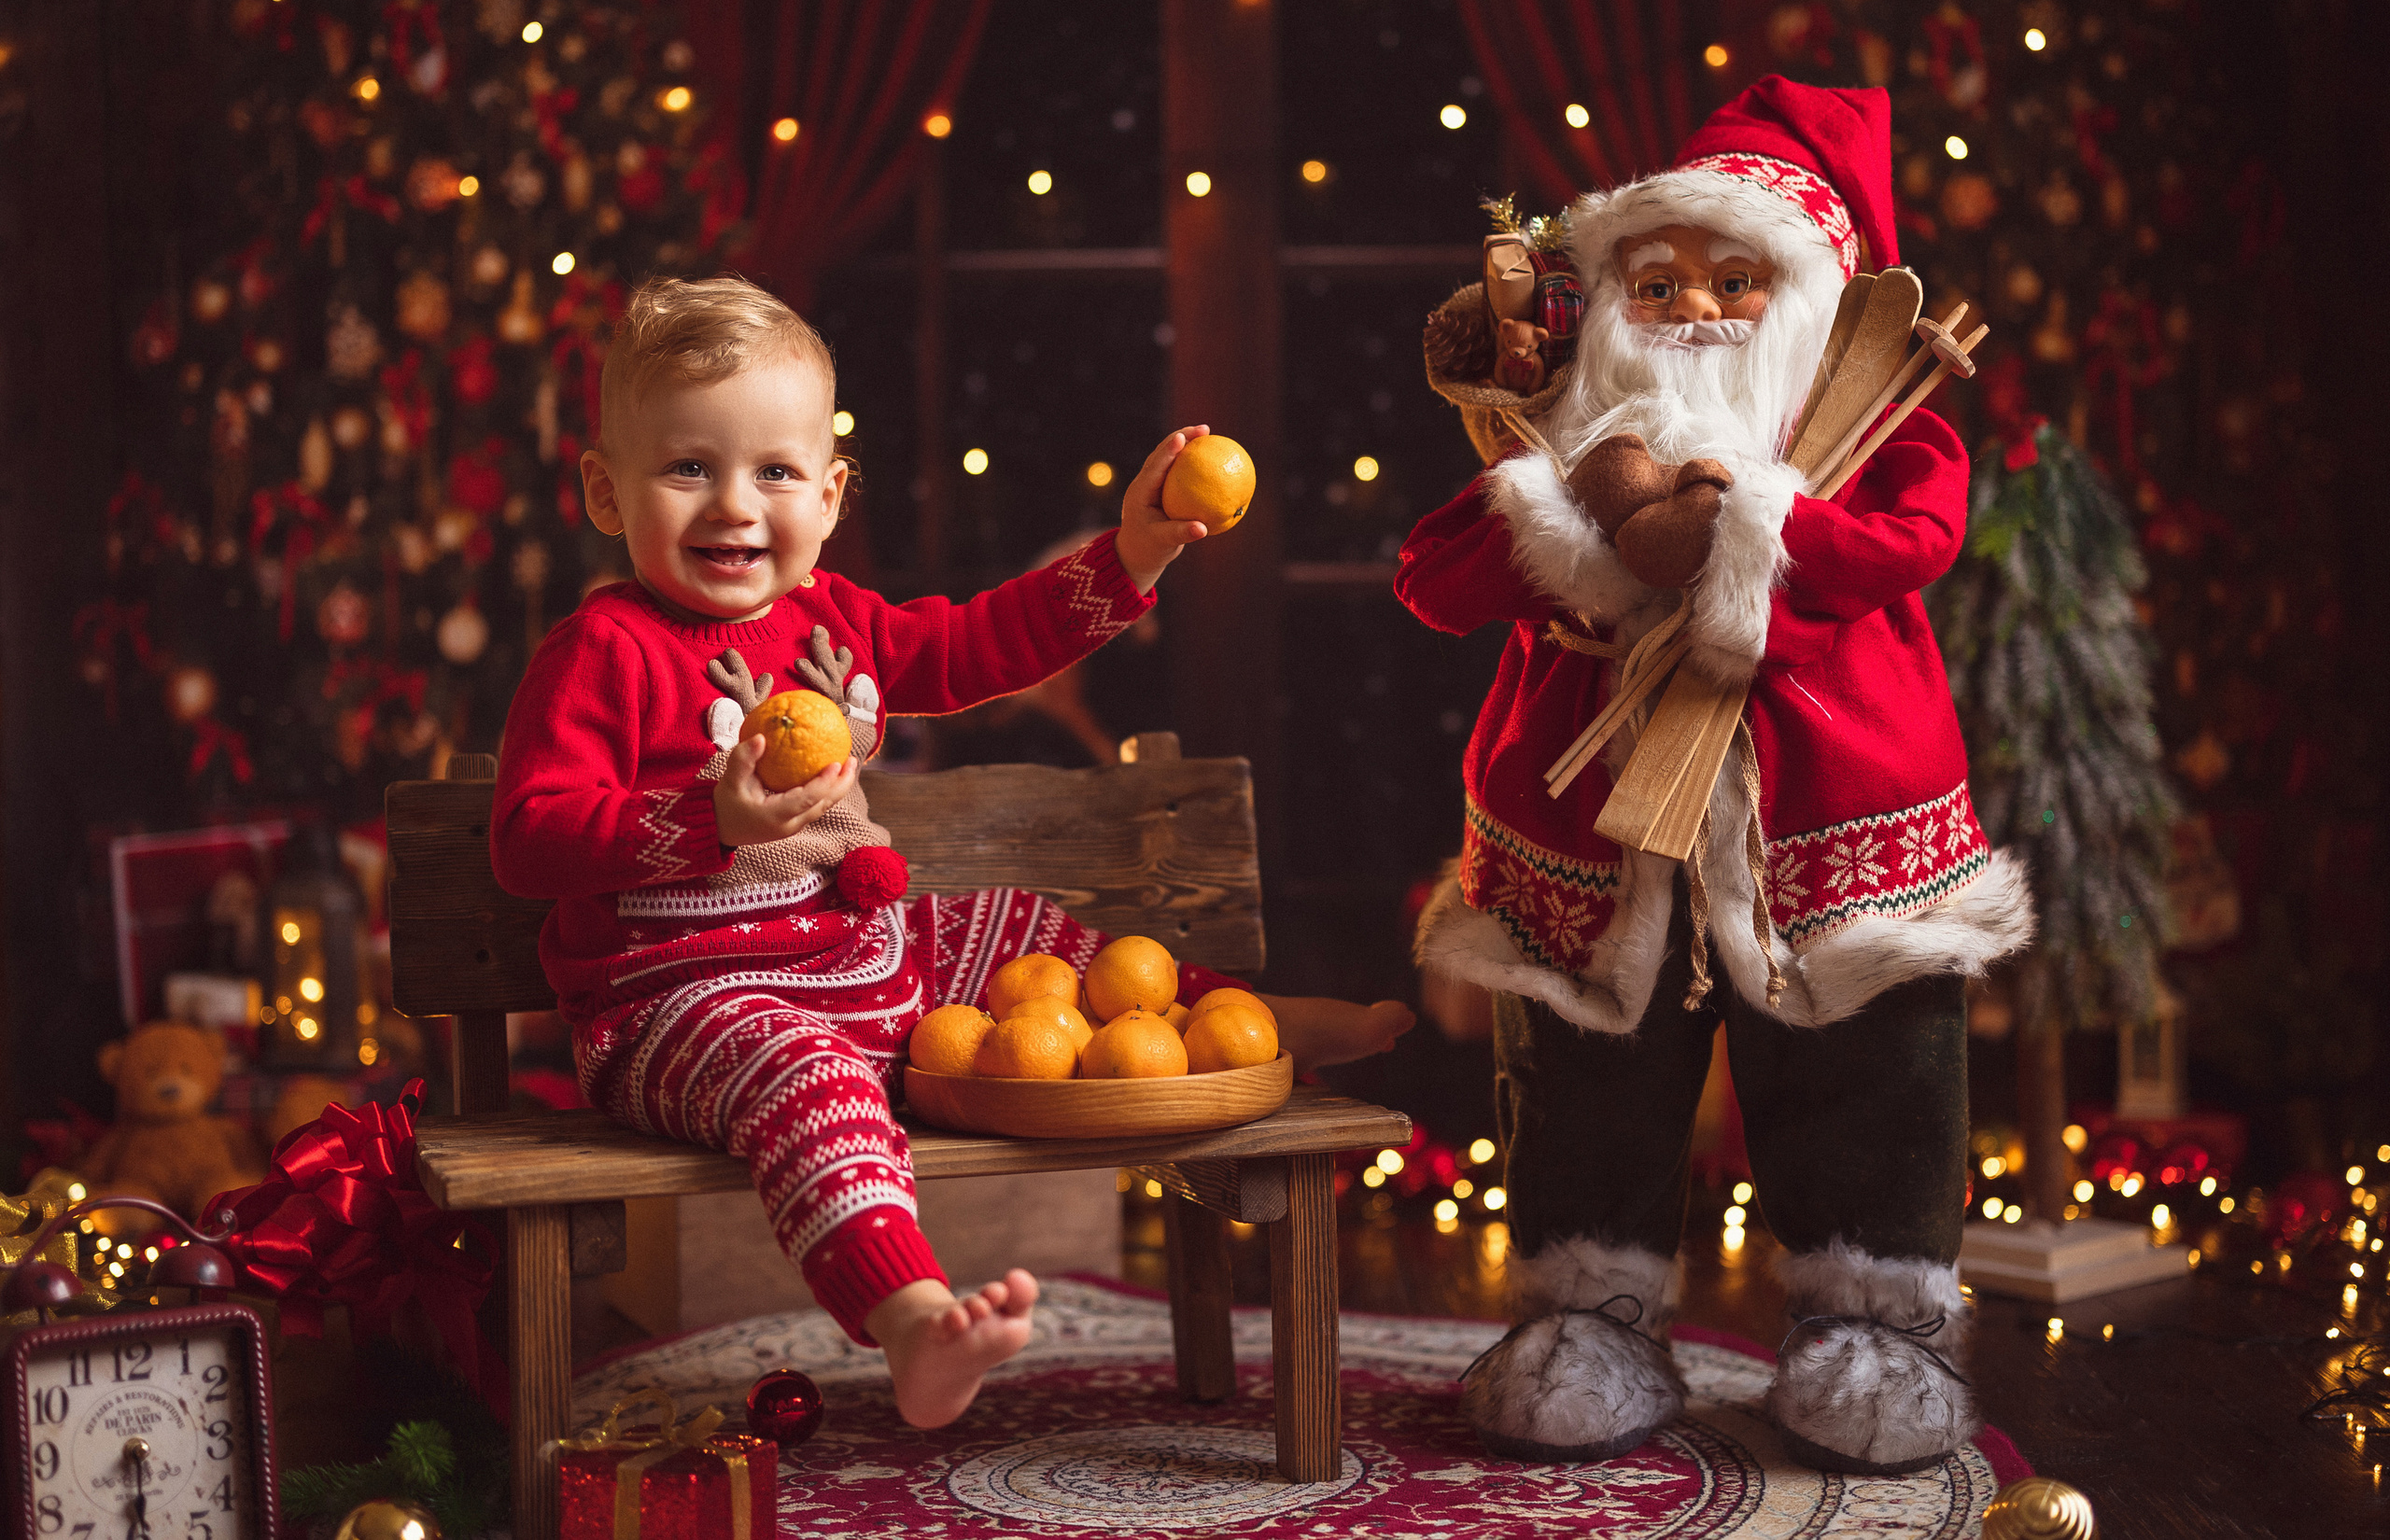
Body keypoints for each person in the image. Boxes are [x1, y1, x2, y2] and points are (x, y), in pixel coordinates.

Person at [493, 275, 1411, 1428]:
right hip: (679, 1008)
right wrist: (705, 824)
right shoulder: (601, 651)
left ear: (829, 495)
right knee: (808, 1076)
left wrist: (1131, 553)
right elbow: (527, 839)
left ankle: (1239, 1021)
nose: (734, 506)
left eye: (774, 472)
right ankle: (914, 1321)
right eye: (688, 468)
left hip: (860, 958)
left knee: (1020, 930)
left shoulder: (831, 620)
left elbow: (984, 644)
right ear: (604, 490)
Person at [1399, 78, 2032, 1474]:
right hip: (1586, 827)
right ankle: (1585, 1314)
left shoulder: (1882, 430)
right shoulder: (1561, 435)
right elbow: (1434, 582)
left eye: (1736, 280)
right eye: (1660, 281)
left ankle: (1878, 1325)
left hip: (1837, 801)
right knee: (1585, 1077)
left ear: (1810, 299)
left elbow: (1912, 540)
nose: (1695, 309)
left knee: (1865, 1061)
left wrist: (1740, 527)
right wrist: (1565, 518)